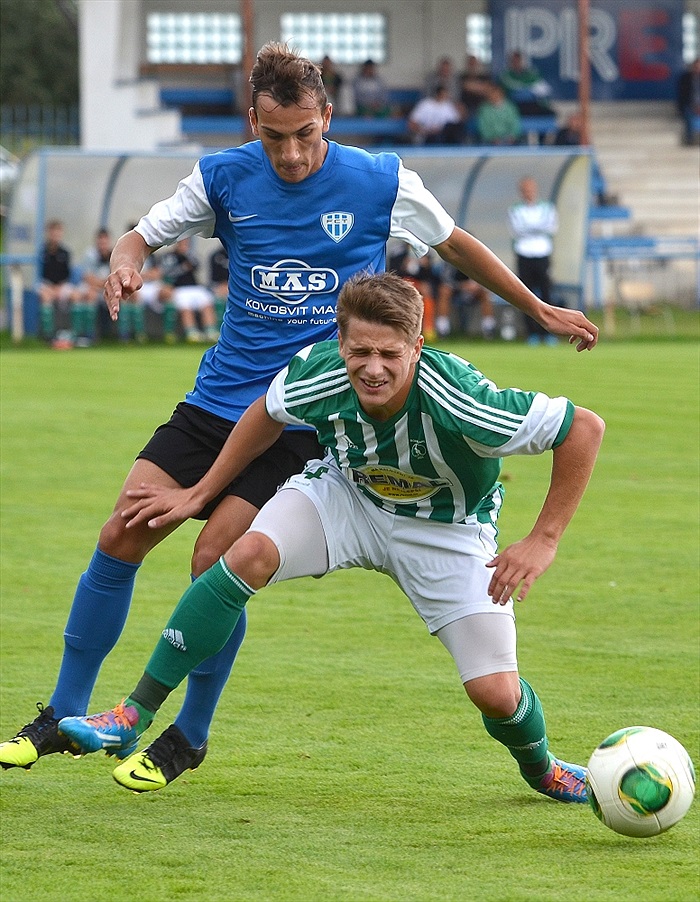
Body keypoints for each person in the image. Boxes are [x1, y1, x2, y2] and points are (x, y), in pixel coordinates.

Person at [0, 42, 598, 793]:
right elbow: (141, 235)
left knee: (215, 556)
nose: (290, 154)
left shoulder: (380, 180)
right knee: (122, 529)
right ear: (253, 123)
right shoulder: (222, 177)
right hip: (220, 399)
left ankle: (188, 733)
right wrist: (128, 260)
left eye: (305, 135)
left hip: (309, 413)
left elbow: (455, 245)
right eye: (275, 136)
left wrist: (538, 307)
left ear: (328, 119)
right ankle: (61, 712)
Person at [58, 272, 605, 801]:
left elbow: (583, 428)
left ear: (417, 346)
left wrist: (543, 539)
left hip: (446, 530)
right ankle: (134, 713)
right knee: (247, 553)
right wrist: (202, 492)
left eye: (389, 354)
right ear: (340, 344)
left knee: (495, 694)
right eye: (359, 352)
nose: (373, 368)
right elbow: (267, 412)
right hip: (348, 497)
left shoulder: (461, 398)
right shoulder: (319, 369)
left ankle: (543, 769)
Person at [508, 177, 559, 345]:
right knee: (525, 294)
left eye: (530, 188)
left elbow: (551, 227)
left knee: (546, 292)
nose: (528, 192)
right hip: (524, 253)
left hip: (542, 253)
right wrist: (537, 228)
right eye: (525, 189)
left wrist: (531, 228)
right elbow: (517, 230)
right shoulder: (515, 209)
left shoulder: (547, 207)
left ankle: (549, 332)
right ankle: (532, 333)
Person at [160, 237, 219, 344]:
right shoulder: (169, 256)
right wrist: (183, 268)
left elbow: (197, 265)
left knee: (206, 301)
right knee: (186, 305)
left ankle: (210, 330)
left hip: (195, 287)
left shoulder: (190, 255)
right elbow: (167, 273)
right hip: (178, 288)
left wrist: (186, 255)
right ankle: (191, 332)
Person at [37, 219, 79, 347]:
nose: (55, 235)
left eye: (58, 232)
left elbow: (67, 274)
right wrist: (51, 288)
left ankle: (74, 334)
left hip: (62, 285)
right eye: (53, 232)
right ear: (48, 233)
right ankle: (48, 335)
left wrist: (59, 288)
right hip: (46, 285)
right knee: (46, 297)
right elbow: (39, 274)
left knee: (76, 296)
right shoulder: (42, 252)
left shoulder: (65, 252)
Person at [437, 264, 496, 340]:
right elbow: (446, 279)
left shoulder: (479, 261)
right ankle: (442, 329)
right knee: (444, 291)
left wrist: (476, 285)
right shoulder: (450, 261)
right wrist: (462, 285)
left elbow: (486, 277)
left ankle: (489, 327)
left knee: (486, 293)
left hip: (474, 290)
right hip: (456, 290)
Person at [498, 51, 554, 117]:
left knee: (549, 113)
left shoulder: (533, 75)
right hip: (514, 106)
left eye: (518, 61)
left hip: (533, 105)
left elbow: (545, 90)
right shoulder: (505, 76)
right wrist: (528, 87)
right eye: (513, 61)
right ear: (509, 63)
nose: (516, 63)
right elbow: (510, 87)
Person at [209, 240, 229, 329]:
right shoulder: (217, 255)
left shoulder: (242, 254)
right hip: (219, 285)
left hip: (235, 285)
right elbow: (213, 278)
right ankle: (217, 327)